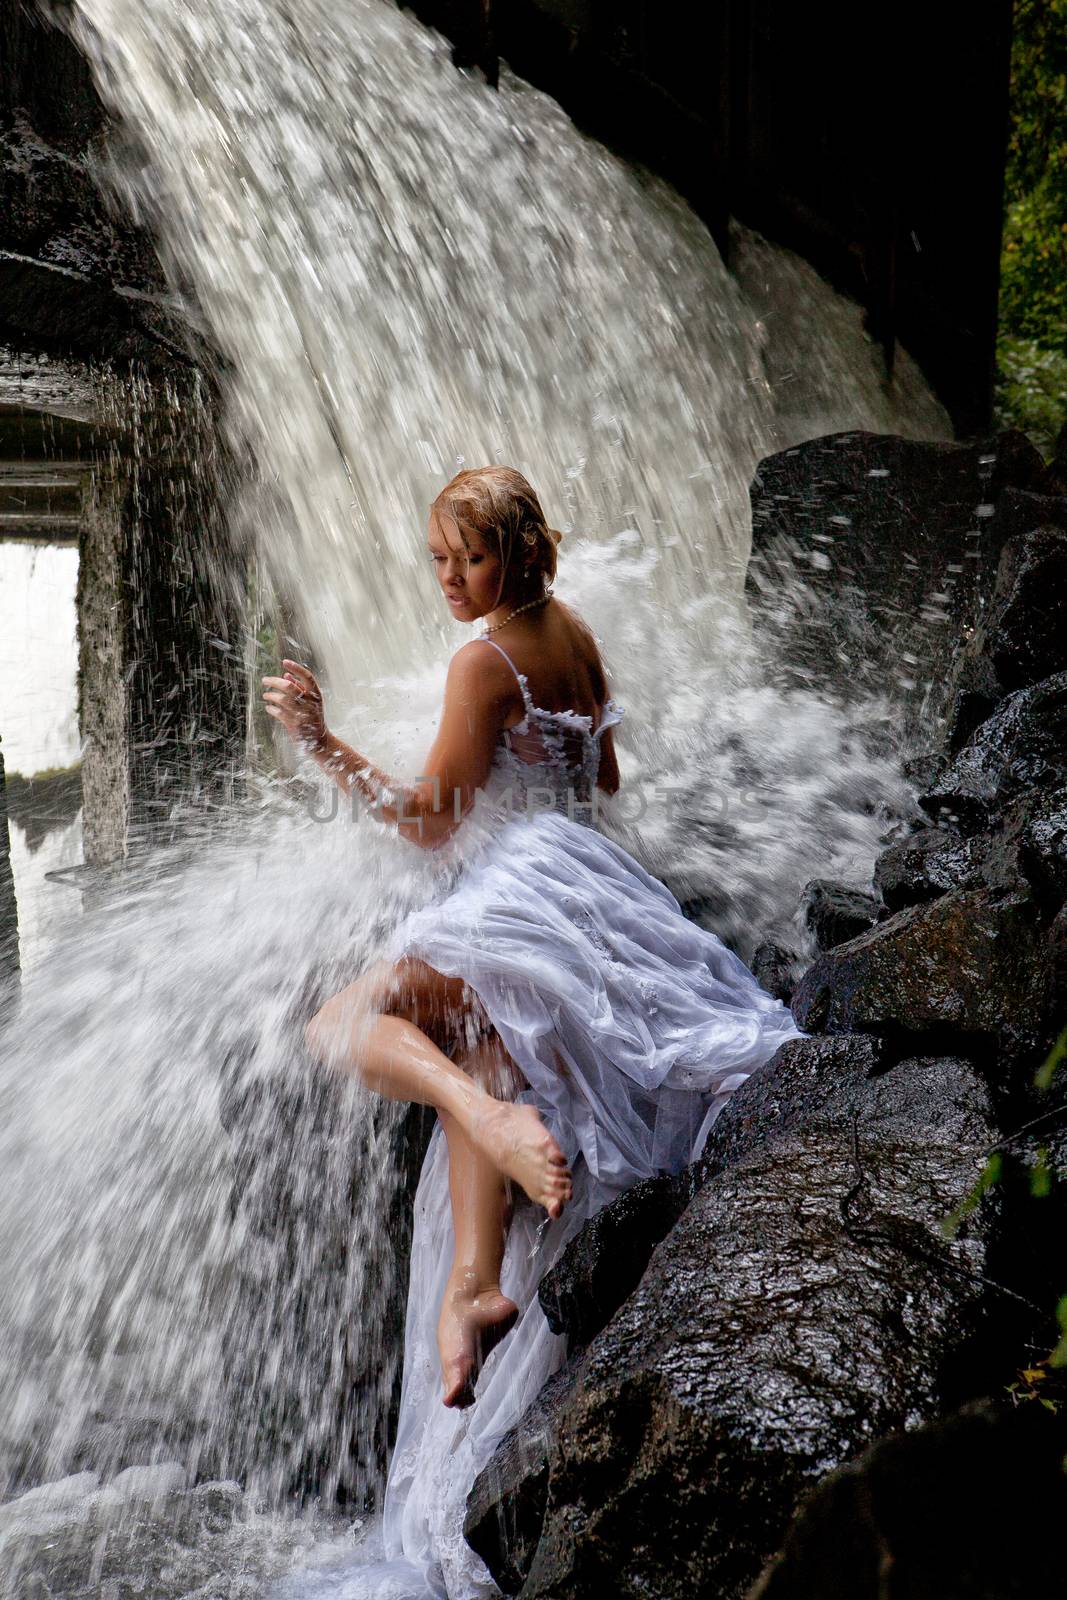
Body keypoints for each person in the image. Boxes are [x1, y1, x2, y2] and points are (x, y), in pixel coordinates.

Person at [263, 465, 804, 1600]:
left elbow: (428, 823)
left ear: (512, 552)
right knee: (486, 1032)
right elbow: (597, 779)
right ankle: (474, 1286)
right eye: (438, 563)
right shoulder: (577, 639)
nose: (451, 581)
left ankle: (482, 1118)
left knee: (341, 1022)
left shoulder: (482, 658)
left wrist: (323, 744)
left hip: (514, 885)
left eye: (467, 559)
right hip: (593, 885)